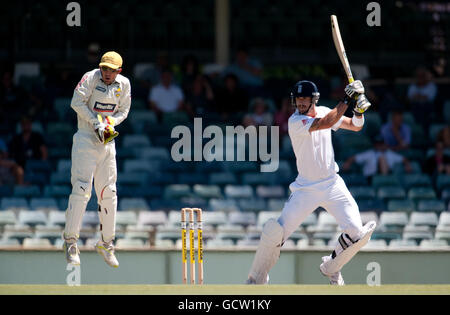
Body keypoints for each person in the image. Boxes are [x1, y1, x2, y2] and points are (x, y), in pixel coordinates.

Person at [246, 79, 374, 286]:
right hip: (305, 188)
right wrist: (347, 99)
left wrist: (358, 111)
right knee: (275, 232)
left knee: (357, 233)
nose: (301, 103)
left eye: (305, 99)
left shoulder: (326, 111)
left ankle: (332, 268)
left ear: (314, 99)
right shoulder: (295, 121)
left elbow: (355, 127)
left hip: (333, 184)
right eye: (298, 99)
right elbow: (324, 123)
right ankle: (256, 279)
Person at [63, 51, 131, 268]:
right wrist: (95, 122)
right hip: (85, 139)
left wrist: (110, 122)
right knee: (83, 189)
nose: (108, 73)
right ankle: (71, 242)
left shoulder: (124, 84)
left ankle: (106, 243)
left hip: (107, 141)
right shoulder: (91, 77)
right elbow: (76, 102)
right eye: (105, 68)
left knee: (109, 193)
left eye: (112, 70)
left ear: (119, 71)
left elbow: (124, 111)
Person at [342, 136, 412, 182]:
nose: (379, 146)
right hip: (370, 179)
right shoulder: (369, 153)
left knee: (382, 159)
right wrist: (348, 163)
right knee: (381, 158)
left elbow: (404, 159)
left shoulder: (390, 154)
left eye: (381, 144)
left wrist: (407, 165)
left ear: (384, 144)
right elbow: (354, 158)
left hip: (388, 178)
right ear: (374, 145)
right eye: (377, 144)